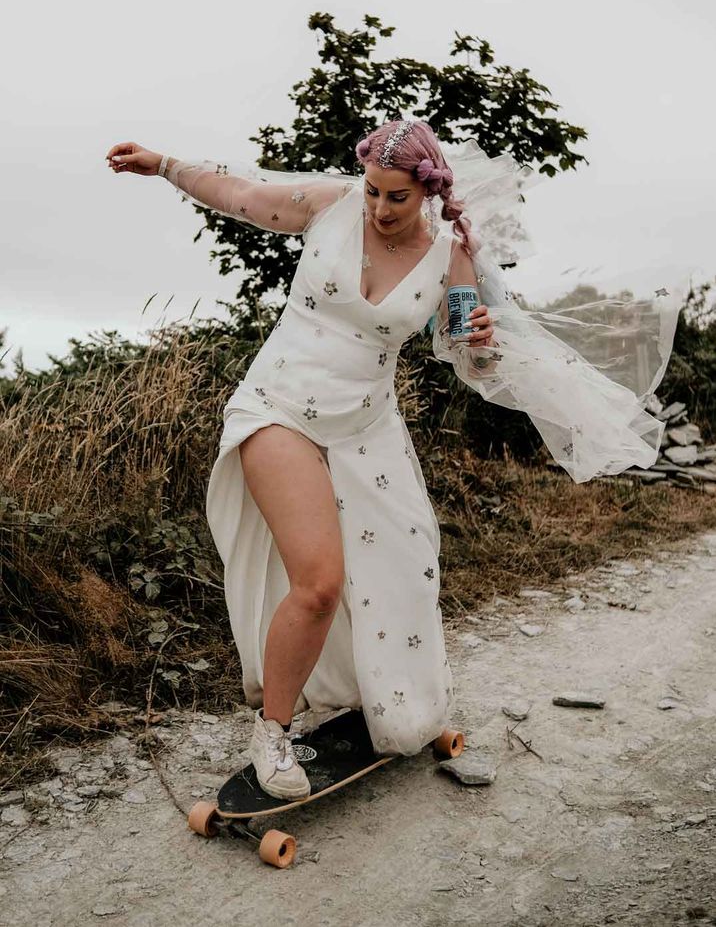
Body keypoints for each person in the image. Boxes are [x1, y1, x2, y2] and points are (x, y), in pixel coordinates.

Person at [106, 117, 680, 800]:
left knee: (406, 568)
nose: (378, 208)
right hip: (277, 409)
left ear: (428, 191)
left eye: (396, 198)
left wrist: (485, 339)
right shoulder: (329, 206)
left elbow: (474, 358)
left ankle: (377, 697)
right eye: (373, 191)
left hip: (367, 430)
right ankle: (273, 733)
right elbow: (235, 193)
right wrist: (164, 163)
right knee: (318, 583)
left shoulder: (450, 258)